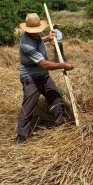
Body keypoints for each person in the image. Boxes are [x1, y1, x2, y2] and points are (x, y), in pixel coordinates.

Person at [15, 13, 74, 144]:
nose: (36, 33)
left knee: (56, 98)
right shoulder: (26, 43)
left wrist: (48, 37)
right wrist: (63, 64)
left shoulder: (35, 36)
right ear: (27, 30)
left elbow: (39, 40)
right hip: (31, 78)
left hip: (44, 76)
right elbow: (43, 64)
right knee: (28, 107)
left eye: (38, 31)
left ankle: (59, 124)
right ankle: (21, 136)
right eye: (34, 31)